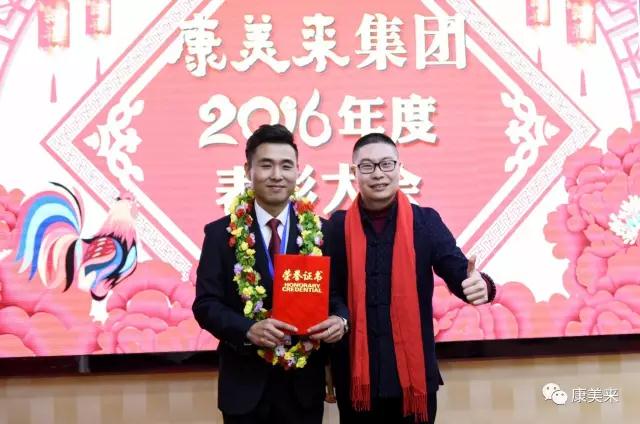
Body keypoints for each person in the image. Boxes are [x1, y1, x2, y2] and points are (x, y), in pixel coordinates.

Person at [328, 133, 496, 423]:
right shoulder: (336, 227)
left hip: (413, 380)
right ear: (354, 172)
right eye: (367, 166)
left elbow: (460, 273)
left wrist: (482, 285)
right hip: (358, 380)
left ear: (399, 168)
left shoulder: (425, 222)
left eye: (386, 164)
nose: (378, 174)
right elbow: (330, 293)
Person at [193, 124, 349, 424]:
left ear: (297, 172)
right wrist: (247, 330)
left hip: (303, 388)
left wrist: (340, 321)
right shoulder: (220, 234)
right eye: (266, 165)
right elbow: (206, 305)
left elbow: (338, 296)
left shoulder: (322, 231)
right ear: (247, 170)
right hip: (244, 388)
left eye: (286, 166)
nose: (277, 175)